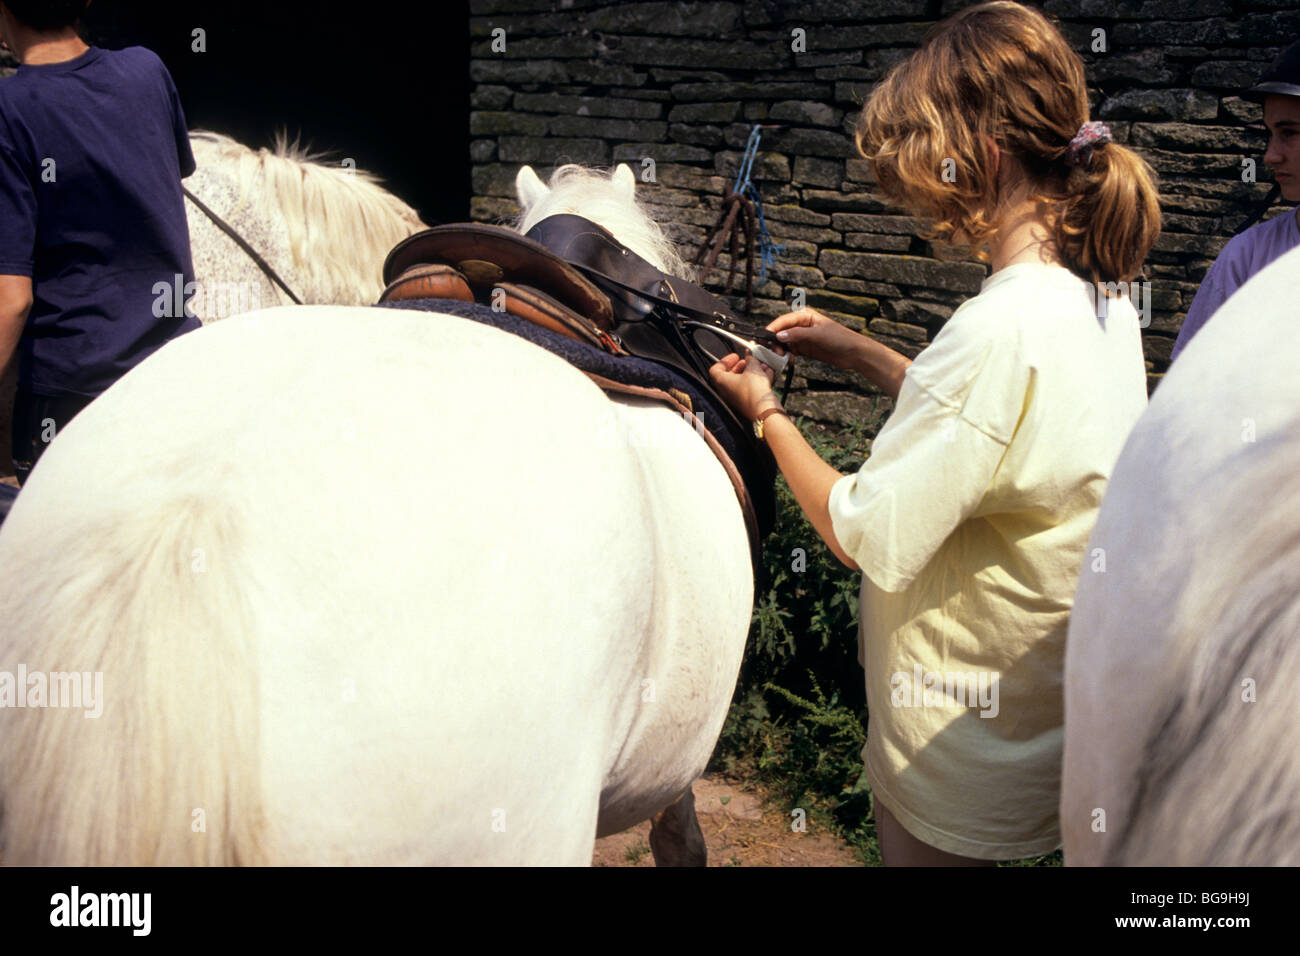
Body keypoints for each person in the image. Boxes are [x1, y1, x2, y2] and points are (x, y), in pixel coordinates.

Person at [709, 0, 1160, 865]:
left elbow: (859, 532)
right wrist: (868, 354)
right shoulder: (1102, 298)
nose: (923, 204)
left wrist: (766, 412)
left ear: (983, 158)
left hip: (955, 757)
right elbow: (1008, 443)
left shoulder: (995, 333)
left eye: (927, 174)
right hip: (1039, 724)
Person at [0, 0, 200, 484]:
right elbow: (168, 175)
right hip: (180, 370)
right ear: (85, 2)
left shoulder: (10, 110)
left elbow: (12, 301)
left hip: (73, 398)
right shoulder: (147, 69)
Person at [1170, 40, 1300, 363]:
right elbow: (1188, 394)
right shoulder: (1246, 259)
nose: (1269, 156)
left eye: (1289, 133)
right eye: (1269, 134)